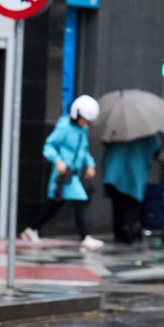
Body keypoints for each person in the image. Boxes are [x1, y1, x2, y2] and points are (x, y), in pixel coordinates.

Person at [22, 95, 105, 252]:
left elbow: (84, 149)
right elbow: (49, 146)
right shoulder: (64, 126)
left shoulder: (82, 130)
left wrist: (90, 165)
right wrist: (58, 160)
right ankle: (85, 237)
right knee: (79, 200)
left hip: (72, 174)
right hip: (63, 175)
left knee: (54, 205)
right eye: (83, 119)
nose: (85, 123)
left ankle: (32, 229)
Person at [102, 135, 161, 243]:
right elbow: (156, 149)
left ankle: (120, 233)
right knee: (132, 206)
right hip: (134, 173)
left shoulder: (116, 130)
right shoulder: (147, 133)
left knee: (117, 206)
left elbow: (105, 142)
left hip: (115, 173)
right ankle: (129, 231)